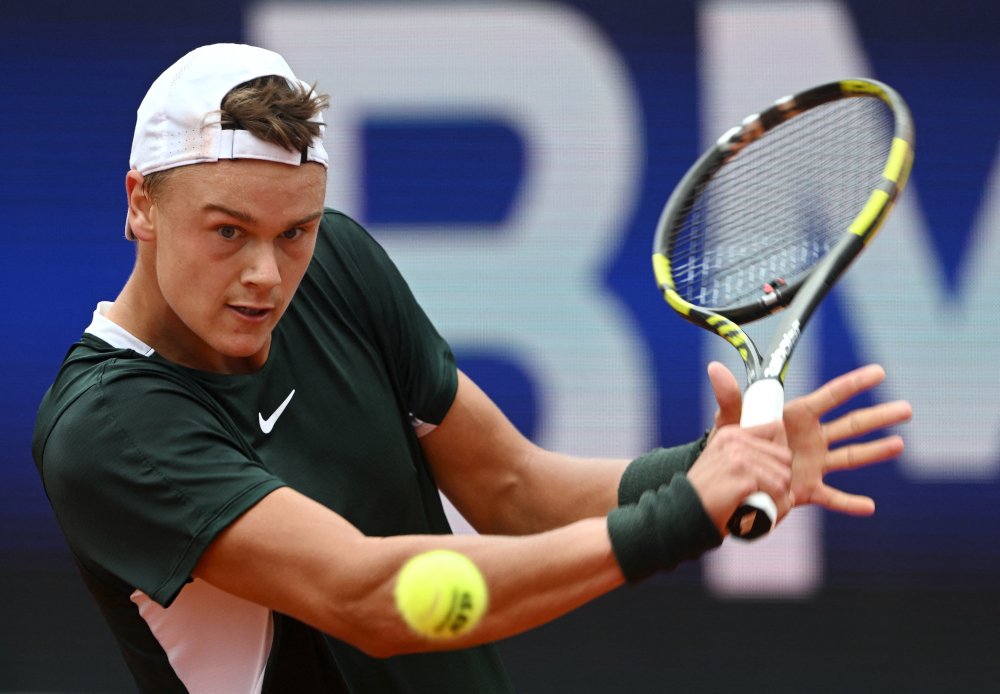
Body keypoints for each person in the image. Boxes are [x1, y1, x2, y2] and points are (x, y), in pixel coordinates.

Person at [32, 43, 911, 693]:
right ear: (141, 203)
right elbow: (371, 596)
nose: (267, 273)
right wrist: (680, 518)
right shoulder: (108, 431)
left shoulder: (334, 264)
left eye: (293, 231)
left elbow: (511, 487)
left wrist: (708, 467)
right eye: (228, 232)